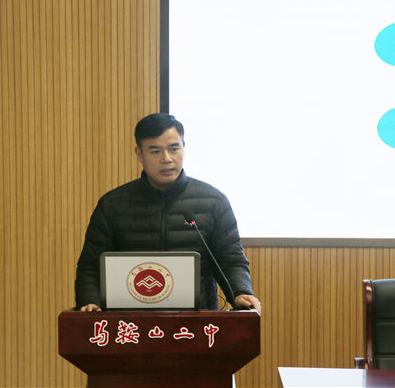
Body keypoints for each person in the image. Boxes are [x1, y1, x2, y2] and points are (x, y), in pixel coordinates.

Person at [75, 113, 261, 312]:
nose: (166, 159)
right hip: (131, 321)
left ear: (183, 147)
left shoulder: (214, 202)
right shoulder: (112, 204)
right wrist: (90, 300)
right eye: (155, 151)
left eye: (174, 149)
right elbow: (91, 266)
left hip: (196, 320)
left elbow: (230, 259)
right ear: (139, 154)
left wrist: (240, 292)